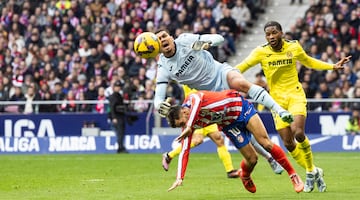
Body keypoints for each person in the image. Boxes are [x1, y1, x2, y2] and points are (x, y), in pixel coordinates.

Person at [235, 21, 352, 193]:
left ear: (281, 33)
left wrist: (332, 66)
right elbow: (241, 67)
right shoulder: (261, 52)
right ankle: (313, 171)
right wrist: (224, 76)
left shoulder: (294, 47)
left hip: (295, 95)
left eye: (274, 33)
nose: (271, 37)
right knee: (288, 143)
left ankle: (310, 172)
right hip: (276, 102)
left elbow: (308, 61)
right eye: (268, 34)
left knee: (298, 133)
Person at [154, 30, 288, 175]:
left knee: (240, 83)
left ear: (171, 37)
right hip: (212, 101)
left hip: (220, 73)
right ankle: (269, 158)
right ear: (156, 47)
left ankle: (279, 110)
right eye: (158, 39)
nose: (162, 40)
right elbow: (158, 97)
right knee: (246, 134)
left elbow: (219, 38)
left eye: (164, 36)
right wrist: (159, 106)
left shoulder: (185, 40)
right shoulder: (163, 67)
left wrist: (205, 43)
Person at [165, 90, 304, 193]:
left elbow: (197, 102)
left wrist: (189, 126)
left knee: (265, 143)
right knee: (252, 159)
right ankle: (245, 175)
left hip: (242, 108)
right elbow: (184, 150)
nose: (184, 126)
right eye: (180, 126)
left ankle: (293, 175)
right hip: (228, 125)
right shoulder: (190, 126)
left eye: (182, 123)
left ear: (184, 111)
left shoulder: (192, 98)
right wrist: (180, 177)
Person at [162, 85, 284, 178]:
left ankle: (231, 169)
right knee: (198, 140)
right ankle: (169, 155)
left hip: (213, 112)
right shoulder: (187, 77)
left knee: (220, 140)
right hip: (194, 116)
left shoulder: (203, 71)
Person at [108, 80, 128, 153]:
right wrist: (113, 117)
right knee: (119, 132)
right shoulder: (113, 96)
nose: (118, 88)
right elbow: (112, 107)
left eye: (119, 87)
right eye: (117, 87)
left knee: (121, 132)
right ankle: (120, 147)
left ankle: (121, 146)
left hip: (121, 115)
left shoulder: (119, 95)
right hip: (117, 116)